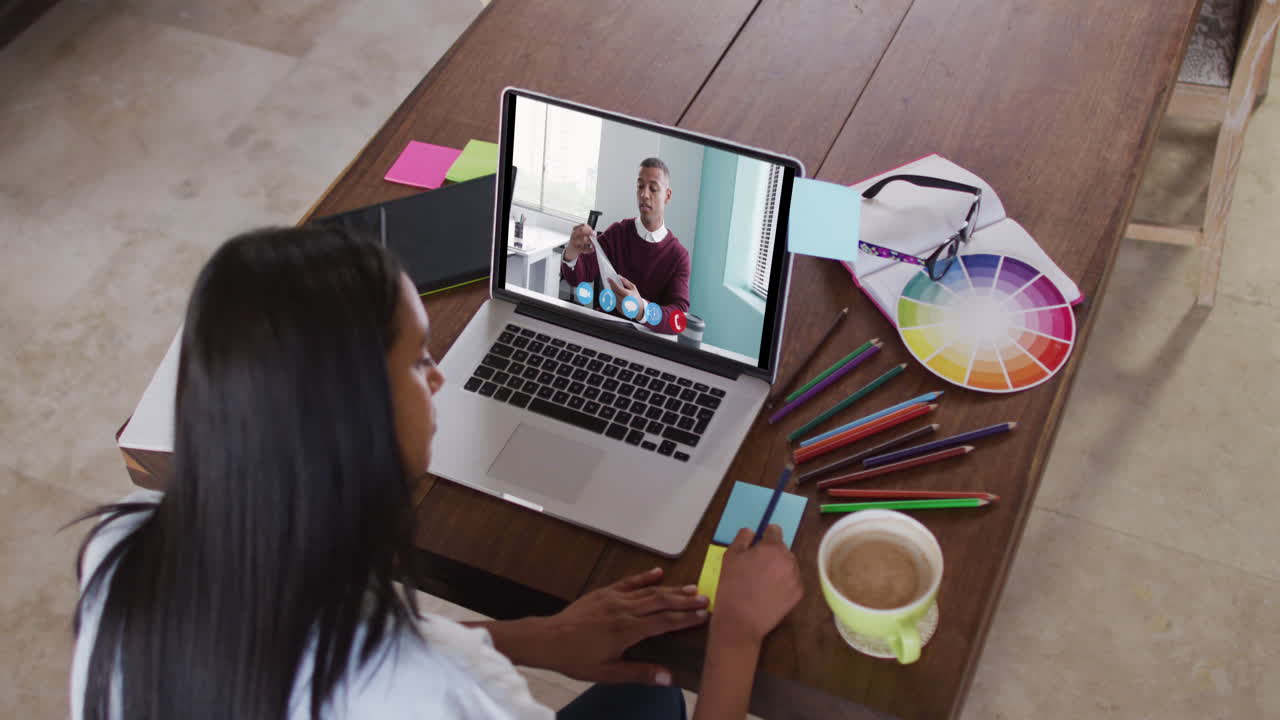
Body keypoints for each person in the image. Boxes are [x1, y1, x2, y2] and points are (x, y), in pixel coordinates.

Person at [71, 226, 802, 720]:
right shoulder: (442, 695)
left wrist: (534, 638)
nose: (442, 379)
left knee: (645, 699)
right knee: (661, 697)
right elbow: (412, 675)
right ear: (358, 421)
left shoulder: (123, 553)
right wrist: (735, 634)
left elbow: (325, 646)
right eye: (421, 360)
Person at [560, 157, 691, 334]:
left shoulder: (679, 256)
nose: (644, 194)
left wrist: (642, 310)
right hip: (605, 332)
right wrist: (572, 253)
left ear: (667, 195)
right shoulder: (617, 233)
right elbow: (577, 278)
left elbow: (679, 318)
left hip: (647, 342)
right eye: (640, 186)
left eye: (653, 188)